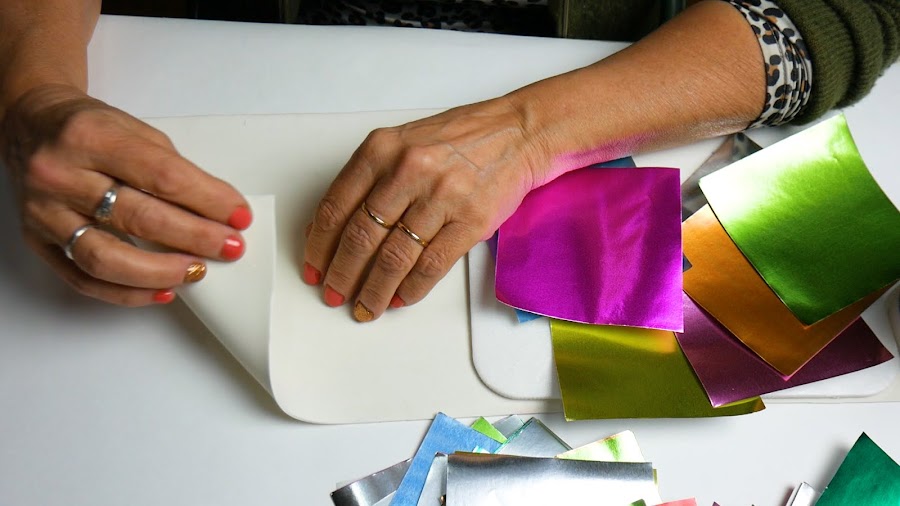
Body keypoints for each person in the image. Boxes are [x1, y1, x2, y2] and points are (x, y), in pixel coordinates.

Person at [0, 1, 896, 319]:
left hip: (628, 80)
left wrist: (531, 131)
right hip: (213, 68)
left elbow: (849, 11)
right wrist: (32, 91)